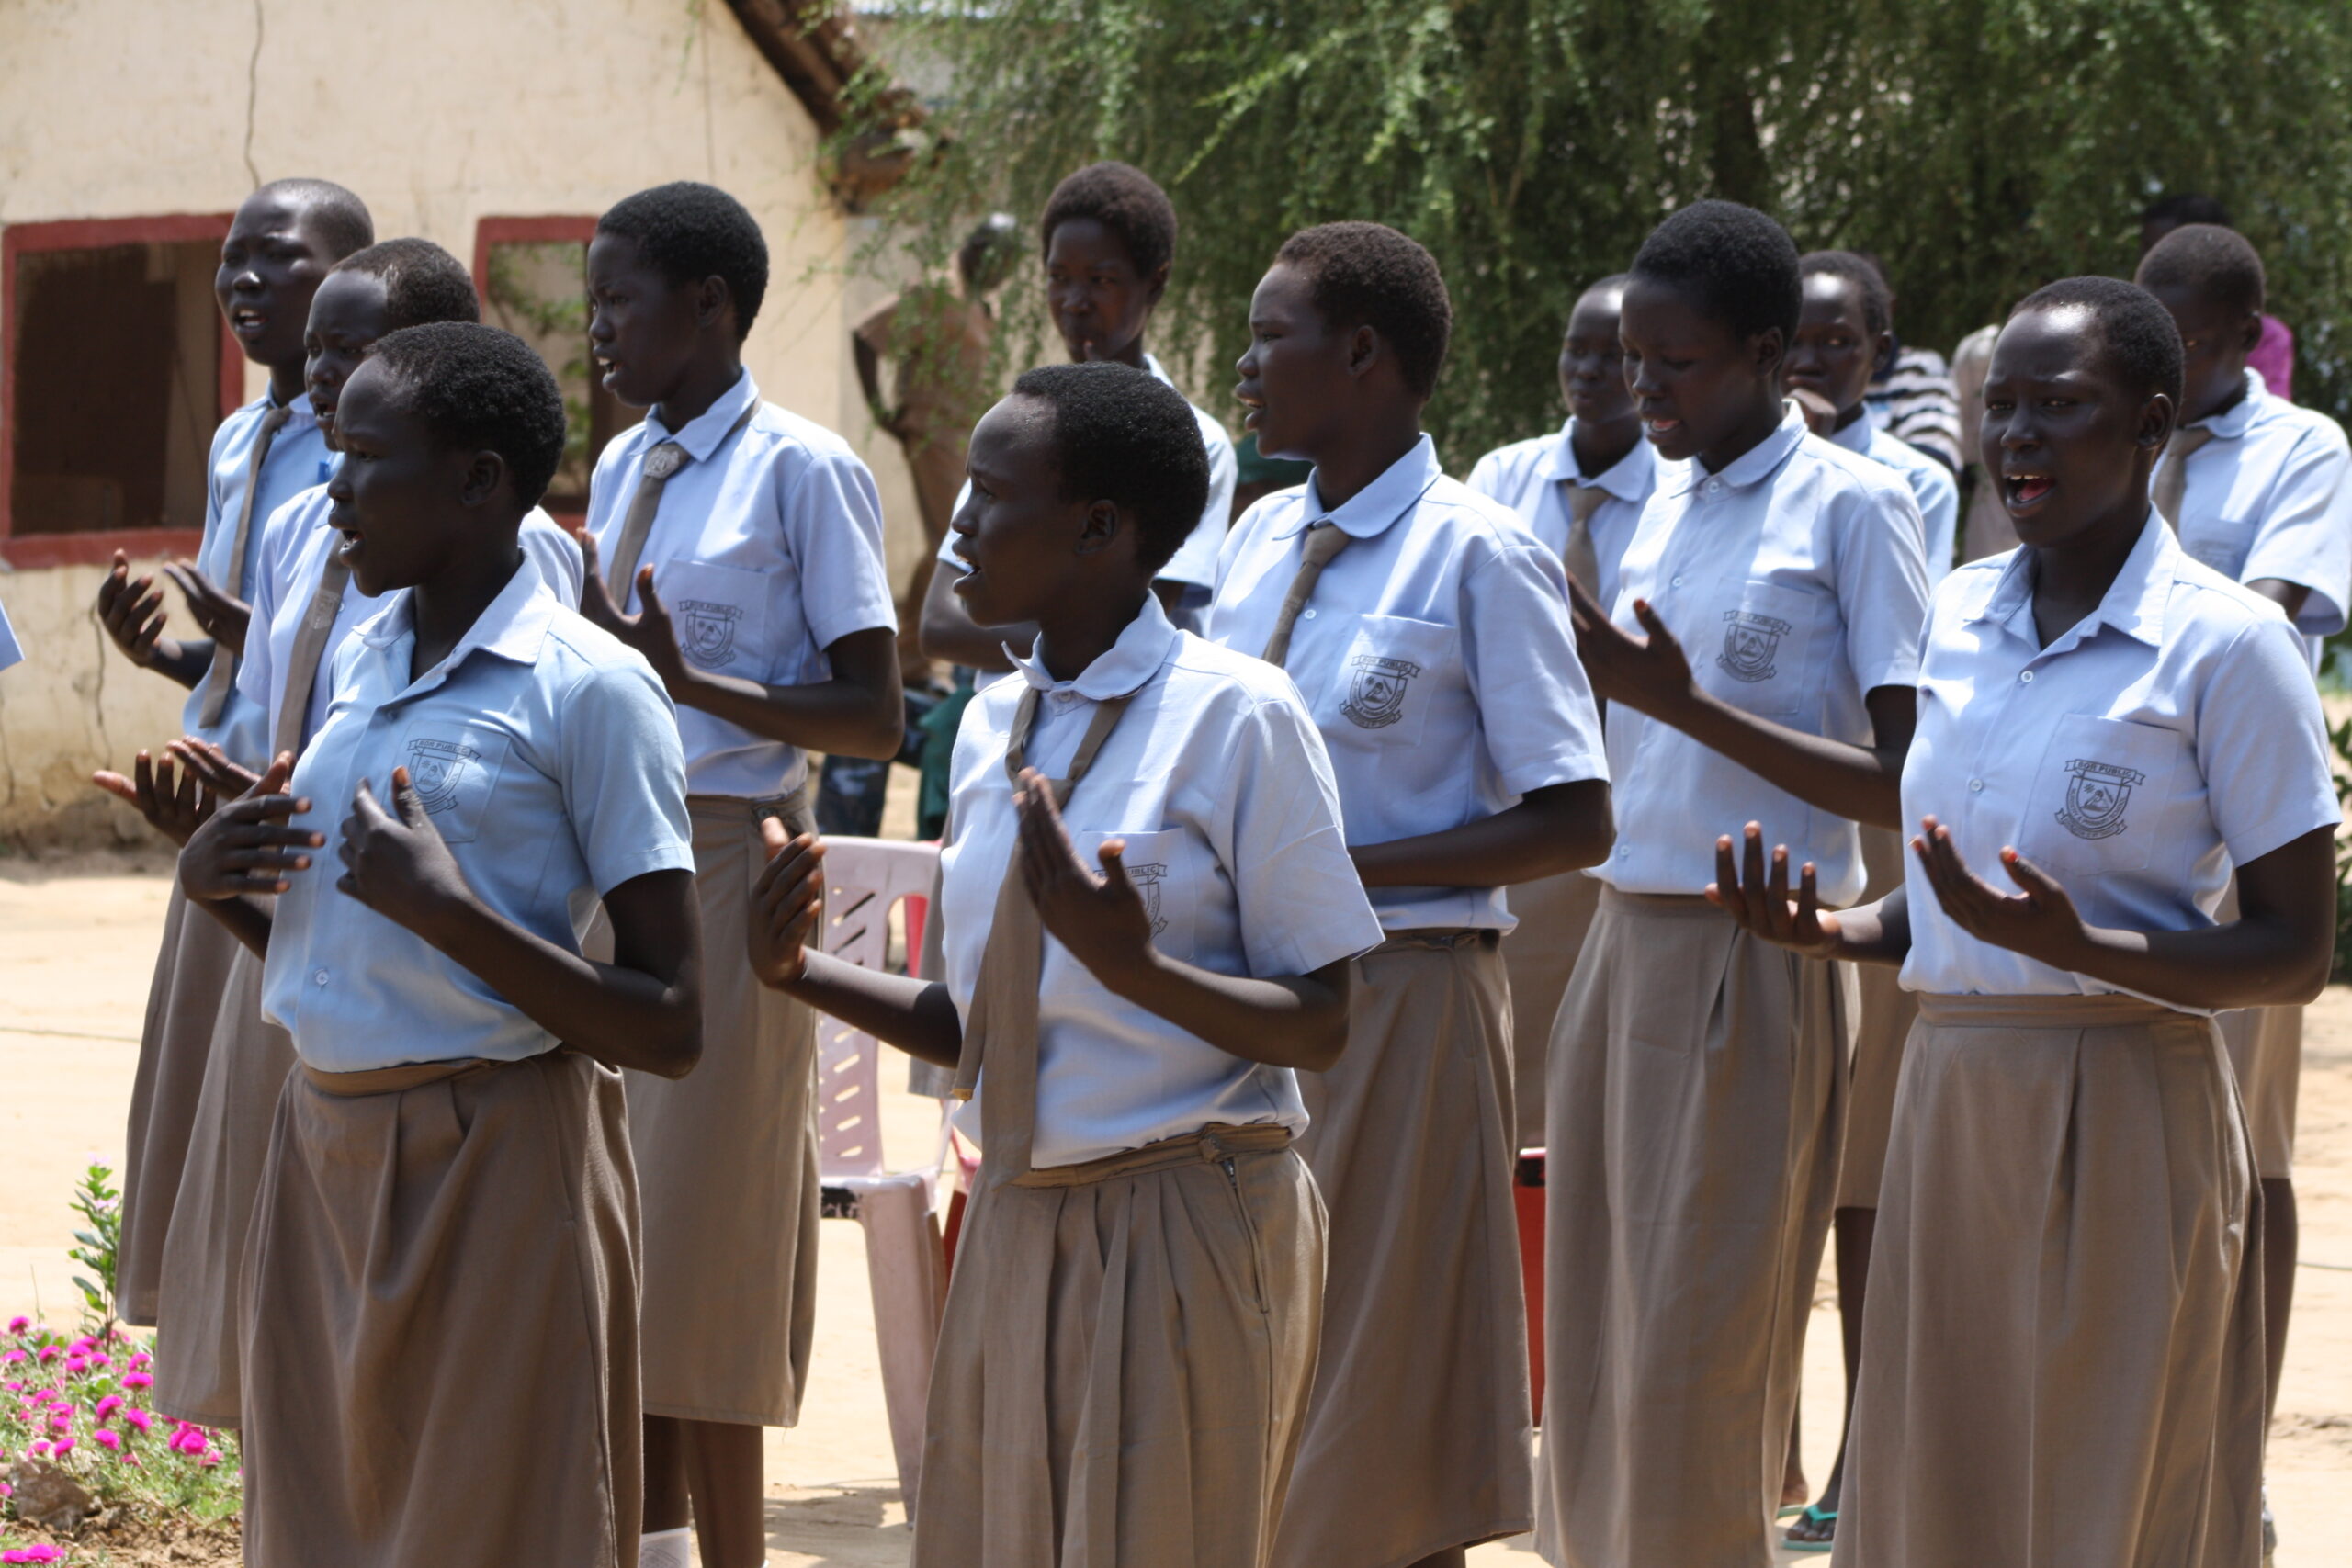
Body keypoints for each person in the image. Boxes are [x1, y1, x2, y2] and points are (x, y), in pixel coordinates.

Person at [1715, 276, 2334, 1568]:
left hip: (2125, 1100)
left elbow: (2292, 949)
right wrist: (1843, 930)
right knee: (1949, 1464)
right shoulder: (1958, 611)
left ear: (2153, 423)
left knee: (2103, 1477)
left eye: (2062, 407)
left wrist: (2083, 951)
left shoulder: (2224, 648)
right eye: (2003, 407)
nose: (2019, 438)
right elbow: (1963, 884)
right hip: (1950, 1095)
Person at [752, 359, 1382, 1565]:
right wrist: (798, 972)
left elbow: (1324, 1015)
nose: (958, 528)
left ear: (1101, 526)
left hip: (1185, 1213)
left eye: (992, 494)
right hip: (1013, 1215)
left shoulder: (1238, 715)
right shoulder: (993, 721)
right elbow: (977, 1018)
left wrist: (1137, 969)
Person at [176, 321, 702, 1566]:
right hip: (326, 1147)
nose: (331, 486)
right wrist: (216, 886)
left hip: (498, 1156)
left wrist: (451, 909)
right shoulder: (366, 649)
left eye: (364, 455)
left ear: (478, 481)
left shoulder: (592, 687)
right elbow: (363, 944)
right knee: (322, 1524)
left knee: (493, 1529)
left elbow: (670, 1016)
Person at [1212, 221, 1614, 1568]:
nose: (1246, 368)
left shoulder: (1476, 555)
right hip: (1250, 999)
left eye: (1271, 337)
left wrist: (1339, 871)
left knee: (1387, 1387)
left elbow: (1574, 812)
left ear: (1365, 354)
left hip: (1407, 995)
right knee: (1262, 1347)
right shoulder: (1258, 539)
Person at [1536, 199, 1929, 1568]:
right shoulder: (1667, 498)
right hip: (1619, 942)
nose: (1645, 385)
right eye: (1633, 358)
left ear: (1769, 354)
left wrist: (1686, 705)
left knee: (1702, 1343)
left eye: (1678, 361)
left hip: (1754, 952)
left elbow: (1906, 777)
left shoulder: (1859, 509)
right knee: (1594, 1324)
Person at [136, 237, 583, 1432]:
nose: (326, 372)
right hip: (302, 892)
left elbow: (515, 755)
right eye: (320, 346)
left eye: (356, 348)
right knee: (262, 1192)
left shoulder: (519, 564)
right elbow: (309, 707)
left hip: (435, 963)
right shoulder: (308, 520)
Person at [577, 180, 902, 1568]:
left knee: (709, 1257)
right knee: (625, 1246)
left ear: (709, 307)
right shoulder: (618, 466)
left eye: (620, 302)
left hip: (726, 861)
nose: (597, 332)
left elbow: (872, 711)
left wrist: (695, 678)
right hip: (615, 860)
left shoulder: (804, 470)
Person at [91, 177, 372, 1330]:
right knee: (203, 1085)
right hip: (217, 814)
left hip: (301, 816)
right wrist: (174, 662)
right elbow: (250, 668)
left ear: (349, 273)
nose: (245, 281)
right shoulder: (237, 440)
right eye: (231, 259)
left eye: (280, 258)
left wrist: (253, 647)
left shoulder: (370, 452)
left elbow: (337, 656)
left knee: (278, 1092)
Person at [2137, 220, 2352, 1557]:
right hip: (2118, 810)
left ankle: (2238, 1447)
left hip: (2237, 813)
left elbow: (2276, 603)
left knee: (2248, 1143)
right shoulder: (2113, 417)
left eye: (2179, 333)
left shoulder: (2304, 450)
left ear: (2228, 338)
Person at [1770, 243, 1964, 1547]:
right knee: (1807, 1173)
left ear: (1878, 352)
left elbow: (1906, 651)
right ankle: (1781, 1448)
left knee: (1874, 1175)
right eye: (1798, 343)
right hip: (1791, 840)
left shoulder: (1907, 476)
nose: (1817, 363)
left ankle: (1860, 1447)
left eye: (1841, 343)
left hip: (1888, 830)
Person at [1465, 272, 1659, 1154]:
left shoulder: (1678, 492)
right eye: (1574, 350)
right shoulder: (1504, 476)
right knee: (1514, 1058)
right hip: (1524, 803)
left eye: (1612, 355)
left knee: (1603, 1077)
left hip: (1632, 804)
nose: (1587, 370)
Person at [920, 162, 1238, 671]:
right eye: (1058, 277)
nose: (1074, 301)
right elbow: (940, 623)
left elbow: (1130, 631)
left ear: (1154, 284)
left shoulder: (1193, 443)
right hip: (1012, 732)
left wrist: (1012, 630)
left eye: (1101, 279)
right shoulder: (1019, 433)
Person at [855, 211, 1019, 679]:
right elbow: (867, 335)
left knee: (943, 541)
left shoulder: (982, 304)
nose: (1001, 272)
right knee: (951, 538)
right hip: (930, 432)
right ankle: (912, 654)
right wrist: (881, 411)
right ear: (976, 248)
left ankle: (908, 654)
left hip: (965, 439)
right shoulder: (934, 291)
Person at [2142, 193, 2295, 400]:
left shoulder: (2268, 336)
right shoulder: (2125, 324)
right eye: (2146, 248)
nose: (2149, 260)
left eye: (2192, 343)